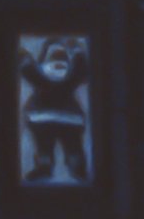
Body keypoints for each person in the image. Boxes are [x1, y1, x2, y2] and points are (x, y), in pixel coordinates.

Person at [19, 37, 91, 184]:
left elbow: (25, 66)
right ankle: (77, 168)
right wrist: (77, 49)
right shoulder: (73, 74)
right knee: (73, 146)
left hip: (40, 117)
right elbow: (82, 65)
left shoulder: (39, 73)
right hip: (71, 118)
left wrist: (22, 53)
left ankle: (44, 167)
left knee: (43, 146)